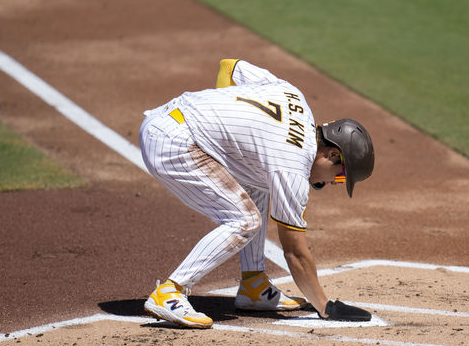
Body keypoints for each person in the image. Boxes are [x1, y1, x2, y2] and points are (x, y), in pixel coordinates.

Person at [139, 59, 375, 328]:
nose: (334, 183)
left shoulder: (294, 94)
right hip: (172, 144)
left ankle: (254, 285)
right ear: (332, 154)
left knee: (259, 182)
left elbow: (230, 67)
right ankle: (170, 291)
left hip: (170, 118)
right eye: (340, 176)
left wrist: (221, 122)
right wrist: (325, 306)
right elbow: (295, 253)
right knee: (245, 220)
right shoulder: (292, 166)